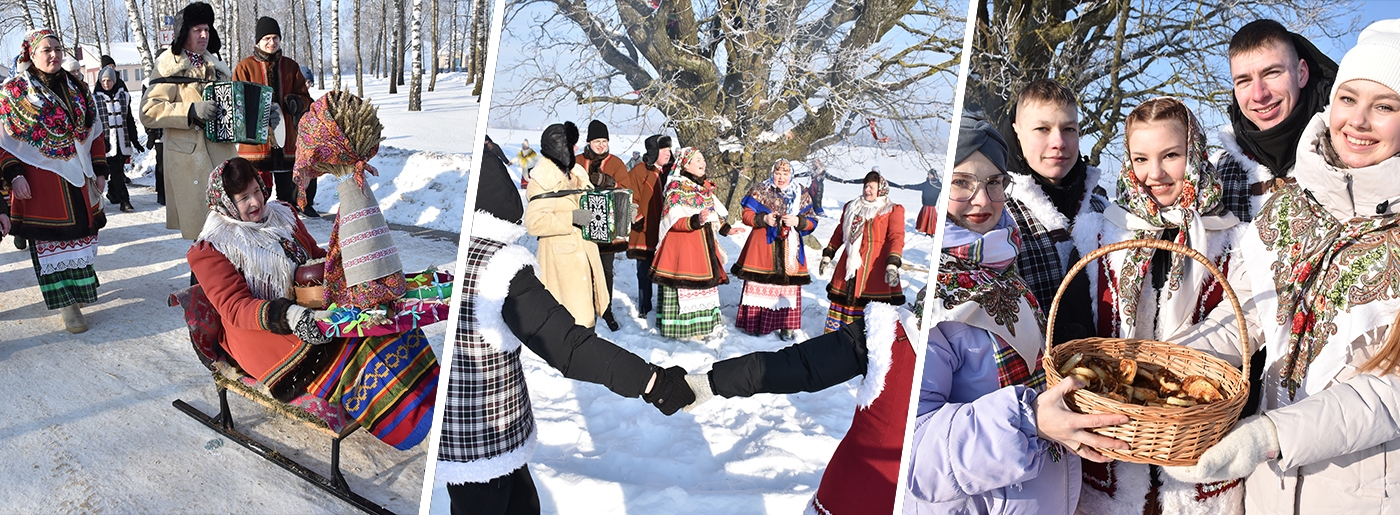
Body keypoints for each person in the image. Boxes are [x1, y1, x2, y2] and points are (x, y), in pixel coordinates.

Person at [1161, 19, 1400, 512]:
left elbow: (1391, 390)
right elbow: (1246, 316)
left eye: (1385, 106)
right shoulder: (1291, 204)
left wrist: (1271, 435)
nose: (1358, 121)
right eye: (1349, 98)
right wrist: (1161, 361)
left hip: (1361, 491)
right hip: (1270, 488)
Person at [437, 139, 694, 515]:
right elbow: (568, 346)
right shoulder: (499, 264)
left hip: (482, 429)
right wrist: (652, 381)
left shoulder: (469, 253)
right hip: (484, 434)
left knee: (521, 501)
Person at [904, 115, 1129, 514]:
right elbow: (916, 455)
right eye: (961, 182)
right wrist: (1029, 420)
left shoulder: (1004, 271)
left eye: (994, 182)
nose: (982, 199)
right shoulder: (937, 304)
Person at [1069, 97, 1248, 515]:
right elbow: (1074, 330)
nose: (1155, 174)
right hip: (1111, 458)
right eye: (1141, 159)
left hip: (1196, 455)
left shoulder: (1231, 240)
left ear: (1196, 153)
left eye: (1171, 155)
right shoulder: (1100, 235)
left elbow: (1245, 334)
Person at [188, 157, 437, 450]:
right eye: (244, 198)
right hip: (262, 334)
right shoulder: (212, 247)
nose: (256, 201)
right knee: (357, 347)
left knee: (384, 320)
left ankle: (434, 393)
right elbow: (234, 307)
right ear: (227, 203)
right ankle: (410, 422)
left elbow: (314, 255)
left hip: (309, 309)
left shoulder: (283, 215)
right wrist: (289, 315)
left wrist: (349, 267)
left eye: (256, 190)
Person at [0, 29, 110, 333]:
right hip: (40, 184)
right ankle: (66, 303)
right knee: (52, 243)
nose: (54, 54)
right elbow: (3, 141)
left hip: (79, 177)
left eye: (57, 49)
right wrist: (14, 174)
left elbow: (94, 131)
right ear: (31, 55)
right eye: (46, 50)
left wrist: (100, 169)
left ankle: (81, 290)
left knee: (82, 239)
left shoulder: (77, 88)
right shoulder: (15, 92)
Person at [1000, 78, 1103, 343]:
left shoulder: (1102, 211)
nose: (1058, 142)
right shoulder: (999, 216)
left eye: (1068, 129)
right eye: (1042, 129)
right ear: (1017, 132)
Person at [1215, 19, 1338, 222]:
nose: (1259, 94)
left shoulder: (1349, 151)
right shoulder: (1216, 176)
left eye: (1272, 73)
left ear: (1301, 74)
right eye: (1244, 81)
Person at [140, 1, 237, 241]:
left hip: (221, 156)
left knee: (230, 231)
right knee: (203, 235)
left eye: (207, 29)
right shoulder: (169, 66)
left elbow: (234, 108)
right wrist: (190, 110)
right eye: (197, 30)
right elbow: (148, 111)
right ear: (184, 33)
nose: (204, 35)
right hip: (189, 160)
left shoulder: (218, 67)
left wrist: (262, 117)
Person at [650, 148, 746, 340]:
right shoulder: (676, 187)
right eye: (698, 160)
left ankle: (701, 327)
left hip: (703, 246)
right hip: (683, 248)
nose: (703, 163)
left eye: (703, 159)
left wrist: (727, 229)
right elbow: (671, 221)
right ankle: (681, 330)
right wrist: (694, 221)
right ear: (686, 165)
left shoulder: (702, 188)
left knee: (702, 287)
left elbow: (711, 215)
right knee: (683, 287)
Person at [523, 121, 610, 329]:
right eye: (572, 144)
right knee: (570, 324)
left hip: (584, 254)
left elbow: (589, 207)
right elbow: (534, 223)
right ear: (560, 147)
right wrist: (571, 218)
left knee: (587, 319)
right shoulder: (544, 179)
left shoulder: (576, 173)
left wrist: (617, 210)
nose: (577, 148)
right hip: (562, 263)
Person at [232, 16, 315, 215]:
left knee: (288, 198)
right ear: (258, 42)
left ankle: (288, 227)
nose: (272, 42)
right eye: (266, 38)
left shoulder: (291, 66)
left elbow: (306, 98)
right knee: (258, 195)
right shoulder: (245, 67)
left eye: (275, 38)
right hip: (256, 147)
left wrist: (297, 102)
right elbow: (236, 101)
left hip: (287, 143)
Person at [730, 159, 817, 340]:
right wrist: (763, 219)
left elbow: (812, 221)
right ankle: (755, 323)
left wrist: (798, 221)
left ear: (791, 175)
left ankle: (786, 326)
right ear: (772, 173)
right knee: (761, 283)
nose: (781, 178)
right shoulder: (761, 190)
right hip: (763, 245)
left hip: (790, 247)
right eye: (778, 173)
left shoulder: (800, 193)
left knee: (786, 287)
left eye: (785, 174)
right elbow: (746, 215)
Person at [818, 171, 905, 332]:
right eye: (865, 186)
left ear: (881, 189)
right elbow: (840, 232)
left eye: (871, 187)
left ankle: (865, 338)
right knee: (843, 300)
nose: (867, 190)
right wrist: (828, 254)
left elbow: (896, 237)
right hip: (849, 263)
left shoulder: (891, 210)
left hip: (874, 267)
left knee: (870, 305)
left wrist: (893, 263)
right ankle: (838, 336)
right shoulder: (852, 207)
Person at [575, 120, 626, 331]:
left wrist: (609, 182)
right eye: (597, 141)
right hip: (582, 221)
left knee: (606, 270)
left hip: (608, 223)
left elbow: (627, 191)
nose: (601, 145)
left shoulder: (616, 163)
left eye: (604, 141)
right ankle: (584, 308)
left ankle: (606, 309)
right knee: (583, 268)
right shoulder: (577, 161)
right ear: (589, 142)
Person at [615, 134, 671, 316]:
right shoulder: (639, 172)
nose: (668, 154)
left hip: (666, 230)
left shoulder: (671, 173)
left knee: (665, 270)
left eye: (669, 150)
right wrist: (637, 219)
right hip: (645, 230)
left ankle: (665, 307)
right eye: (664, 150)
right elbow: (627, 197)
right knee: (644, 271)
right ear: (654, 152)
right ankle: (645, 307)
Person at [94, 66, 142, 213]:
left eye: (109, 80)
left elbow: (129, 120)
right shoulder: (95, 99)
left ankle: (113, 193)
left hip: (122, 141)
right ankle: (124, 200)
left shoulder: (124, 97)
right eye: (103, 80)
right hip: (106, 143)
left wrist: (134, 140)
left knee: (118, 170)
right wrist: (99, 140)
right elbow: (94, 124)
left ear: (114, 81)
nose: (106, 83)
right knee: (115, 171)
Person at [892, 169, 941, 235]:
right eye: (929, 175)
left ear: (934, 176)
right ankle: (926, 231)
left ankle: (930, 232)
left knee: (931, 220)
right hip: (925, 205)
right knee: (925, 219)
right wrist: (905, 186)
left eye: (931, 175)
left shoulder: (939, 185)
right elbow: (916, 186)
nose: (929, 176)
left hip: (932, 206)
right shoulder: (926, 184)